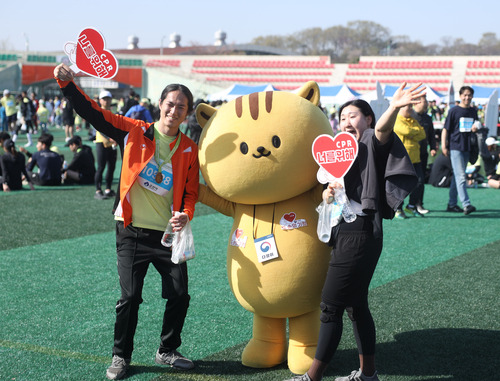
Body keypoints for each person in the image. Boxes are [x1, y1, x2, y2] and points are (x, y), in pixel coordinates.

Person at [54, 63, 199, 381]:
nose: (174, 110)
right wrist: (67, 84)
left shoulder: (189, 147)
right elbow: (92, 113)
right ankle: (121, 356)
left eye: (181, 107)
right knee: (130, 297)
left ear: (187, 113)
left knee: (179, 292)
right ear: (160, 105)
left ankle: (167, 350)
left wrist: (185, 213)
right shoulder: (133, 130)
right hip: (131, 230)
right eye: (170, 104)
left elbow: (191, 190)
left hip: (167, 236)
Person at [284, 83, 422, 381]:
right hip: (344, 231)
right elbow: (328, 193)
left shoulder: (372, 139)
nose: (347, 121)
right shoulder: (338, 151)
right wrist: (328, 195)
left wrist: (393, 108)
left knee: (330, 307)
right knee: (356, 306)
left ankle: (312, 377)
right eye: (343, 116)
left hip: (360, 232)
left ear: (368, 119)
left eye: (354, 116)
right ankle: (368, 374)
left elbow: (384, 132)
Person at [441, 86, 478, 215]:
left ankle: (451, 204)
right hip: (456, 147)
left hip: (468, 147)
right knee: (461, 176)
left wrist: (475, 128)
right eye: (465, 95)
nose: (467, 97)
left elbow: (477, 125)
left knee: (458, 177)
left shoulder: (473, 111)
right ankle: (466, 204)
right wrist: (444, 146)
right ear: (460, 96)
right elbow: (446, 129)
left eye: (469, 95)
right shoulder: (454, 111)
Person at [393, 103, 426, 218]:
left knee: (420, 183)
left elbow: (422, 134)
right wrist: (414, 132)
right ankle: (398, 209)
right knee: (401, 185)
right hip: (402, 159)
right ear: (401, 107)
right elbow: (406, 131)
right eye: (409, 107)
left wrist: (413, 132)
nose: (411, 109)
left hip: (415, 158)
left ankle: (411, 206)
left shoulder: (412, 120)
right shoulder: (396, 120)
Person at [413, 95, 437, 214]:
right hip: (409, 155)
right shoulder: (409, 116)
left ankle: (418, 204)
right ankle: (400, 206)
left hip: (422, 154)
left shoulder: (427, 118)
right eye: (424, 101)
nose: (426, 103)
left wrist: (433, 147)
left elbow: (431, 134)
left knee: (420, 180)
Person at [94, 90, 118, 200]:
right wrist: (110, 138)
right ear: (100, 100)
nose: (106, 101)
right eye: (104, 99)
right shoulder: (98, 112)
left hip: (112, 143)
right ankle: (98, 190)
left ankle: (108, 189)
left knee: (111, 167)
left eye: (108, 98)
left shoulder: (113, 113)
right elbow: (99, 127)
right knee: (101, 167)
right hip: (101, 142)